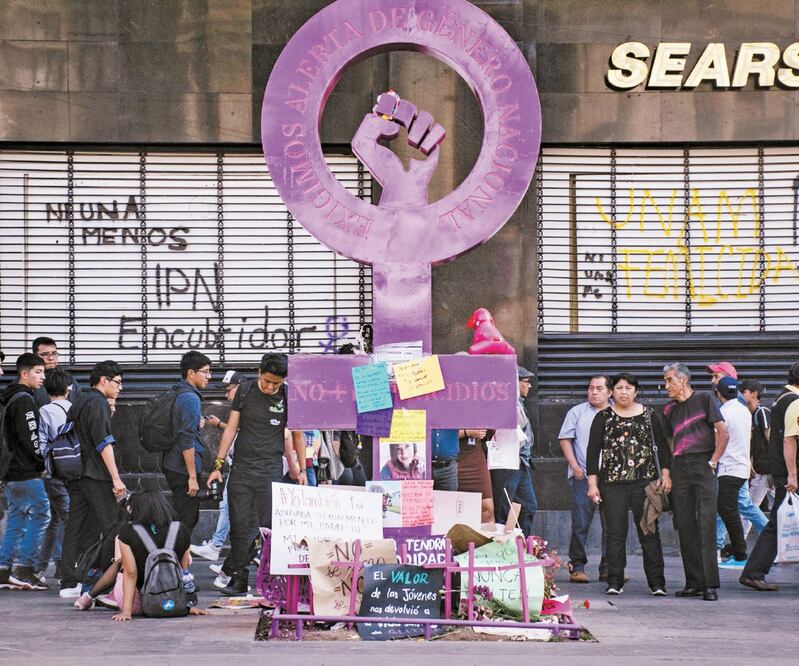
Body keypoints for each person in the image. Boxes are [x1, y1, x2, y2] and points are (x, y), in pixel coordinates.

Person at [206, 353, 306, 596]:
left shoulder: (289, 396)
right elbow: (231, 428)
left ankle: (273, 579)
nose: (270, 387)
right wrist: (218, 465)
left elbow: (296, 435)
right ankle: (239, 579)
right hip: (241, 469)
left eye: (276, 383)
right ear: (260, 372)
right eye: (267, 381)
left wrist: (301, 469)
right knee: (239, 527)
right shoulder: (245, 391)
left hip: (270, 469)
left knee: (268, 526)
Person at [586, 373, 670, 596]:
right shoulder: (603, 417)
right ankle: (614, 581)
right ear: (612, 392)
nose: (624, 392)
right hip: (612, 484)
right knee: (615, 534)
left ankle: (657, 583)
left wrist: (665, 474)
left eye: (629, 388)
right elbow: (592, 452)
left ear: (636, 391)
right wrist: (592, 484)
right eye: (619, 388)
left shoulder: (650, 415)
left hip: (645, 483)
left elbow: (662, 447)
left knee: (649, 531)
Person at [59, 360, 126, 598]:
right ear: (103, 380)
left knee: (78, 526)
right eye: (117, 382)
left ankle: (70, 581)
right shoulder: (98, 403)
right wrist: (116, 478)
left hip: (77, 473)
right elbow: (103, 443)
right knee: (112, 526)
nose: (120, 388)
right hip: (96, 474)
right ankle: (111, 580)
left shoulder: (80, 401)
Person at [662, 362, 728, 601]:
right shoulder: (668, 410)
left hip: (703, 465)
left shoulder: (704, 399)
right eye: (665, 381)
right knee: (685, 525)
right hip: (680, 467)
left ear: (683, 380)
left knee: (705, 525)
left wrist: (714, 461)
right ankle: (693, 582)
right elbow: (668, 443)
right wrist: (668, 472)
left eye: (669, 380)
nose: (666, 385)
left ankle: (709, 584)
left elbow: (722, 432)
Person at [739, 362, 799, 591]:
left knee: (776, 523)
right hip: (790, 474)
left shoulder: (781, 399)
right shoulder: (794, 402)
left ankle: (753, 572)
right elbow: (789, 440)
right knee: (776, 524)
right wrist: (792, 475)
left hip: (782, 471)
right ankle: (753, 572)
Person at [111, 490, 204, 621]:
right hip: (174, 600)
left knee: (121, 566)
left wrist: (126, 612)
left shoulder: (127, 531)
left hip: (143, 603)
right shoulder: (181, 529)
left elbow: (131, 573)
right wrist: (187, 606)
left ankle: (91, 596)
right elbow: (184, 571)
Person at [0, 353, 50, 590]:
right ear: (24, 373)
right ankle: (25, 569)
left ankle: (3, 569)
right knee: (42, 514)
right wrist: (41, 464)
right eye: (38, 372)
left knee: (17, 518)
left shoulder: (8, 398)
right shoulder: (25, 401)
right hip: (25, 470)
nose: (43, 377)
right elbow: (32, 439)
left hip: (9, 471)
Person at [558, 375, 612, 583]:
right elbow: (565, 439)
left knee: (612, 524)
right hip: (583, 475)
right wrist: (574, 466)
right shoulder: (577, 412)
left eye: (599, 388)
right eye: (591, 388)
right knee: (581, 522)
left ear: (609, 392)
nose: (594, 392)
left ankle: (609, 568)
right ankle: (577, 565)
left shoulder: (617, 412)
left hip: (612, 478)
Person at [190, 370, 243, 562]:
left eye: (229, 390)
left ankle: (223, 548)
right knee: (227, 505)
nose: (226, 395)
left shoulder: (247, 407)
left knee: (231, 506)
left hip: (246, 467)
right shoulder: (241, 408)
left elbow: (238, 430)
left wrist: (219, 424)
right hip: (239, 465)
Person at [162, 351, 213, 532]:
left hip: (172, 463)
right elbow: (187, 438)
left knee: (182, 517)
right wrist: (192, 477)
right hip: (182, 468)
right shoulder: (190, 398)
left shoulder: (179, 392)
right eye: (205, 372)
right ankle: (174, 550)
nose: (209, 376)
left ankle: (175, 549)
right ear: (191, 373)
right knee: (186, 519)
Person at [713, 376, 760, 568]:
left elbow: (718, 438)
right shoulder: (744, 411)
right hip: (742, 467)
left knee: (727, 509)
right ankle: (738, 552)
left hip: (728, 467)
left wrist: (713, 460)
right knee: (733, 508)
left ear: (718, 393)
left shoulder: (723, 412)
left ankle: (740, 555)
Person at [35, 367, 74, 582]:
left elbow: (42, 443)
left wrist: (44, 466)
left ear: (47, 390)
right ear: (67, 389)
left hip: (53, 472)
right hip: (73, 469)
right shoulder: (76, 408)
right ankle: (64, 567)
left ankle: (42, 568)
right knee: (66, 518)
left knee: (54, 520)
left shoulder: (44, 411)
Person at [490, 366, 538, 536]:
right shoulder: (502, 402)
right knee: (503, 508)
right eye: (525, 382)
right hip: (506, 461)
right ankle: (502, 545)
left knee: (528, 505)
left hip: (521, 462)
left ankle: (522, 543)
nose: (529, 386)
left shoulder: (519, 403)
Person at [739, 379, 774, 532]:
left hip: (766, 470)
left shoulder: (762, 412)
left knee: (749, 508)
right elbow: (754, 443)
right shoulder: (749, 415)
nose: (740, 395)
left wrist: (774, 468)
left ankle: (739, 543)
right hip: (762, 469)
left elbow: (771, 439)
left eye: (743, 392)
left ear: (754, 394)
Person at [457, 428, 495, 523]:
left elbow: (492, 431)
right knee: (453, 509)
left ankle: (487, 533)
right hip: (452, 461)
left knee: (487, 510)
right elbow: (439, 434)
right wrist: (467, 432)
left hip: (476, 457)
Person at [31, 337, 80, 408]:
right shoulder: (29, 380)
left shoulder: (68, 378)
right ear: (35, 356)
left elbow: (80, 403)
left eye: (54, 353)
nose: (51, 358)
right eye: (45, 354)